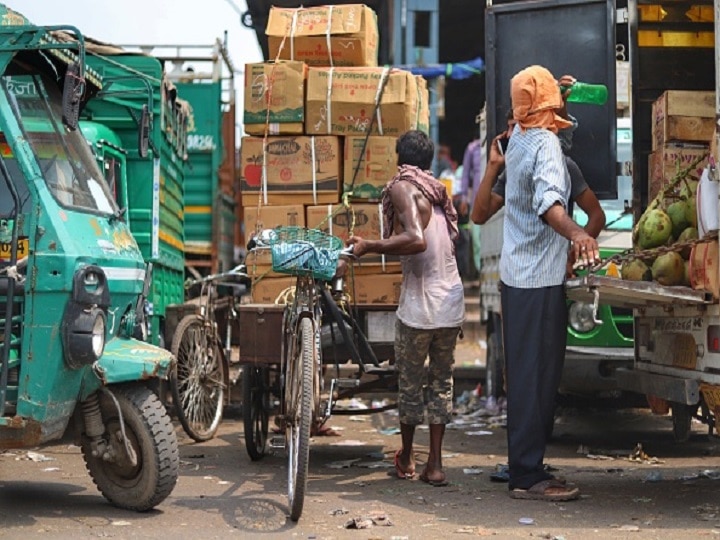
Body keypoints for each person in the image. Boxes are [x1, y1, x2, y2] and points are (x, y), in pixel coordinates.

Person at [486, 65, 599, 502]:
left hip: (519, 277)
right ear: (549, 102)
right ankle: (528, 476)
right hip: (537, 279)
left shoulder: (518, 140)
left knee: (528, 377)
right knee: (538, 379)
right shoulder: (547, 145)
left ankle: (525, 465)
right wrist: (579, 235)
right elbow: (550, 204)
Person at [346, 130, 465, 487]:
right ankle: (437, 465)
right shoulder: (436, 189)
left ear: (400, 157)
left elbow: (415, 238)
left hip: (421, 304)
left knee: (411, 384)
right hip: (450, 301)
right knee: (441, 383)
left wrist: (368, 245)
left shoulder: (403, 186)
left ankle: (408, 458)